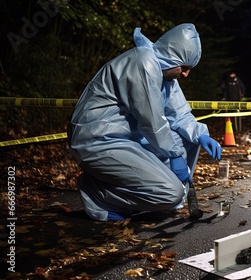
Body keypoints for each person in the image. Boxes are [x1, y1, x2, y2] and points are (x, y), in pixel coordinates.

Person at [67, 23, 222, 221]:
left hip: (124, 138)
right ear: (171, 56)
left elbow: (179, 114)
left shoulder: (165, 74)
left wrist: (201, 135)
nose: (186, 74)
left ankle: (159, 192)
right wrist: (174, 155)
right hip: (97, 141)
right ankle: (98, 193)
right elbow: (153, 122)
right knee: (170, 194)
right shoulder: (144, 64)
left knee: (190, 139)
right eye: (184, 67)